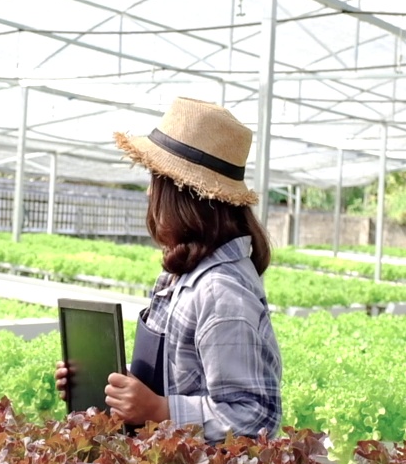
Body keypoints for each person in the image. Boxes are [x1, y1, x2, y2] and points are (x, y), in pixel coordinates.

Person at [55, 97, 282, 442]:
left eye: (155, 179)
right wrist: (114, 387)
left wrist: (161, 411)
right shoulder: (186, 274)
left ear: (183, 196)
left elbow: (256, 417)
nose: (149, 191)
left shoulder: (222, 294)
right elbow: (182, 378)